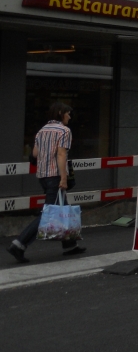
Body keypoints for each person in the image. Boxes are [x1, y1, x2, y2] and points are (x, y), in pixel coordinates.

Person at [8, 102, 84, 263]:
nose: (70, 116)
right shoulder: (64, 131)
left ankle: (70, 245)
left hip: (43, 176)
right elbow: (61, 155)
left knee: (61, 207)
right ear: (61, 113)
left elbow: (35, 153)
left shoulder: (41, 131)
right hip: (55, 176)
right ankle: (19, 244)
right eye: (68, 113)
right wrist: (63, 178)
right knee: (49, 214)